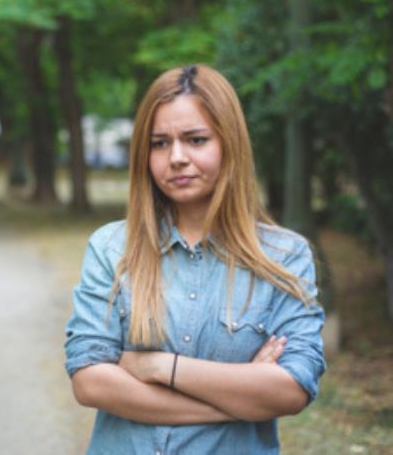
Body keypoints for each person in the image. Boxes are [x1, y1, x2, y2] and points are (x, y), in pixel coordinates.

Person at [64, 65, 325, 454]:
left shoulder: (284, 257)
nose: (177, 158)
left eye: (196, 139)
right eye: (159, 143)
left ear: (229, 143)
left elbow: (291, 390)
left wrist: (158, 368)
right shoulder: (110, 248)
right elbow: (90, 382)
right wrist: (238, 399)